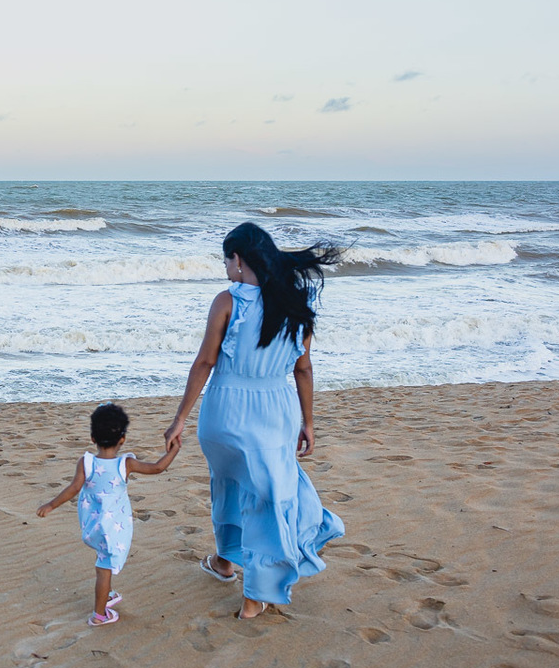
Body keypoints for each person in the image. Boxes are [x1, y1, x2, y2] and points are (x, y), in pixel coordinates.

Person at [163, 222, 344, 620]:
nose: (226, 268)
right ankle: (256, 594)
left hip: (224, 414)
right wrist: (308, 423)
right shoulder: (297, 305)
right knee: (268, 497)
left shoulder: (227, 301)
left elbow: (206, 362)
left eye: (226, 259)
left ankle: (225, 562)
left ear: (239, 259)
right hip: (274, 409)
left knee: (230, 487)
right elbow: (303, 370)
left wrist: (180, 419)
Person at [37, 403, 180, 626]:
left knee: (103, 561)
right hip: (114, 527)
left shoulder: (86, 462)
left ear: (93, 438)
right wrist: (174, 450)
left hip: (93, 523)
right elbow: (157, 468)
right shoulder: (126, 464)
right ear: (122, 439)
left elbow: (74, 488)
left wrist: (51, 505)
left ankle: (108, 595)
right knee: (104, 567)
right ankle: (99, 615)